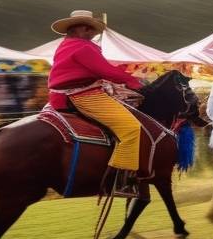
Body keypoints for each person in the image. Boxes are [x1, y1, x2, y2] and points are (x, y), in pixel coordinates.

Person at [48, 10, 144, 190]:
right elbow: (106, 71)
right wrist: (134, 81)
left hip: (59, 96)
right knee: (132, 129)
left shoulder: (66, 45)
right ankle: (120, 179)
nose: (93, 34)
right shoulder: (84, 47)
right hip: (82, 96)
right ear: (82, 29)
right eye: (90, 30)